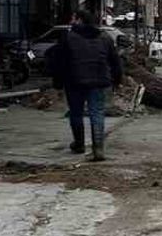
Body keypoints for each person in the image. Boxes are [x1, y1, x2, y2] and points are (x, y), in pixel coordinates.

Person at [47, 9, 123, 161]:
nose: (71, 21)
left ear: (80, 20)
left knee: (76, 113)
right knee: (97, 113)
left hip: (74, 81)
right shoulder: (105, 37)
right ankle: (98, 148)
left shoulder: (68, 38)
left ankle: (79, 144)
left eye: (73, 18)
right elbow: (115, 61)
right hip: (99, 81)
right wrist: (117, 79)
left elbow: (59, 62)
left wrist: (57, 82)